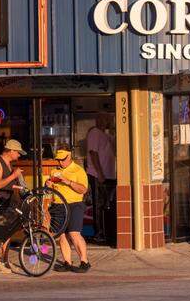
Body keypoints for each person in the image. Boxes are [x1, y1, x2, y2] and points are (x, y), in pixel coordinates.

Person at [48, 148, 90, 273]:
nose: (60, 162)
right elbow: (51, 188)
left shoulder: (78, 170)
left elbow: (83, 190)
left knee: (74, 233)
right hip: (58, 205)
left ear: (69, 157)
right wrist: (48, 185)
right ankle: (67, 262)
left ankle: (84, 261)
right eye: (58, 160)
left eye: (62, 160)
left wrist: (68, 182)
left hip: (74, 204)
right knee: (61, 234)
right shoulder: (54, 171)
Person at [0, 139, 26, 274]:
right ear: (11, 151)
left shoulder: (8, 164)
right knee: (0, 231)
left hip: (8, 201)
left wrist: (18, 186)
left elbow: (6, 185)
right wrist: (14, 176)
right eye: (18, 152)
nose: (19, 155)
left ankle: (4, 261)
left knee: (8, 232)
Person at [85, 113, 116, 244]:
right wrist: (100, 173)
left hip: (109, 175)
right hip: (98, 175)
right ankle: (99, 233)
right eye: (103, 119)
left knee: (106, 205)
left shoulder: (107, 135)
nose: (105, 121)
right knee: (98, 205)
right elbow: (93, 152)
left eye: (108, 119)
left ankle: (106, 232)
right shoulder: (94, 132)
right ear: (97, 120)